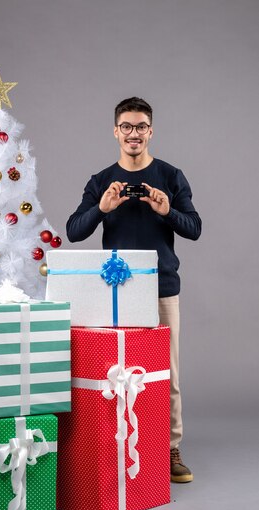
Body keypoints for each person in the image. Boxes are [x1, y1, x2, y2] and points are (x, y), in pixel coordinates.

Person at [66, 97, 202, 483]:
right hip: (115, 290)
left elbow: (194, 228)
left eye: (141, 126)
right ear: (115, 131)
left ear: (150, 131)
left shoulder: (172, 176)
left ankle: (170, 448)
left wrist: (167, 212)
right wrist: (102, 208)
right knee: (114, 372)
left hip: (161, 287)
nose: (134, 134)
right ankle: (115, 446)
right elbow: (74, 231)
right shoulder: (101, 180)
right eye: (126, 126)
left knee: (167, 374)